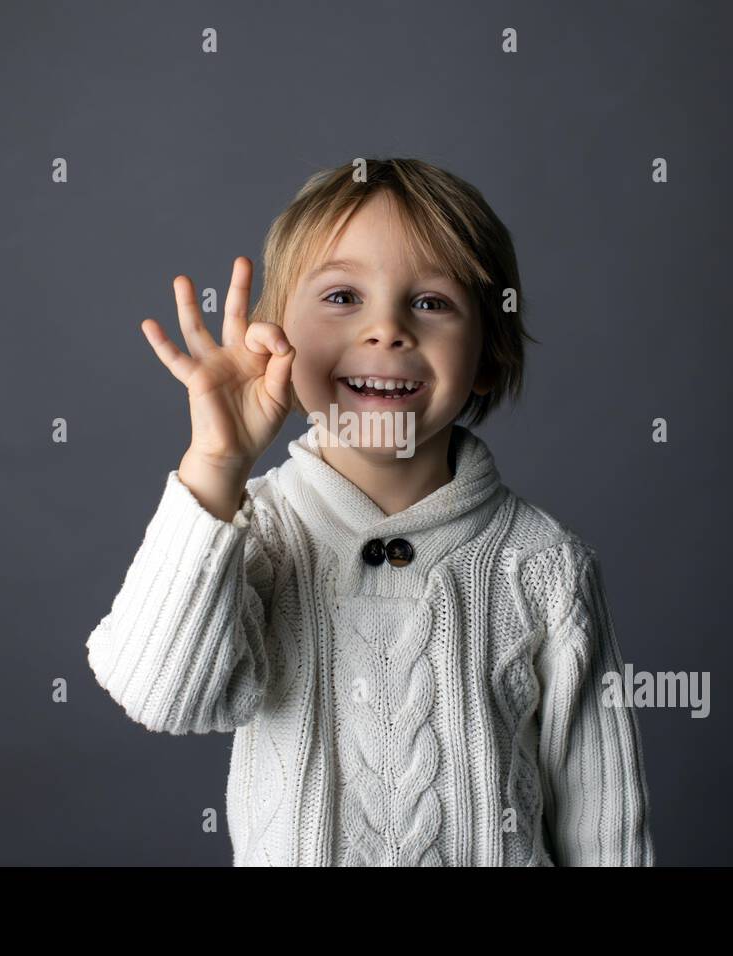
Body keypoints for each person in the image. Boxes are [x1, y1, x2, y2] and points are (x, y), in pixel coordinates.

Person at [85, 157, 655, 866]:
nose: (386, 329)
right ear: (276, 344)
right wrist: (217, 466)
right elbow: (164, 696)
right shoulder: (251, 534)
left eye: (431, 302)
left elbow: (603, 826)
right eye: (342, 296)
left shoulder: (544, 565)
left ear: (487, 353)